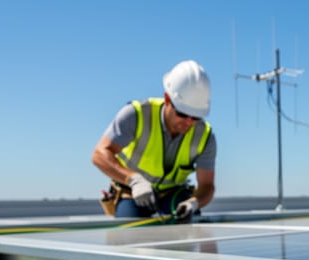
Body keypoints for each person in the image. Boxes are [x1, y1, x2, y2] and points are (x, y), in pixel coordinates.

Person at [92, 60, 216, 221]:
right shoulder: (136, 115)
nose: (188, 122)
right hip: (132, 192)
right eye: (182, 114)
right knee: (129, 233)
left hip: (173, 196)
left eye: (196, 117)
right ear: (167, 98)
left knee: (187, 228)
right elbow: (99, 155)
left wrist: (194, 203)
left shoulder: (205, 136)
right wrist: (133, 180)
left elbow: (207, 186)